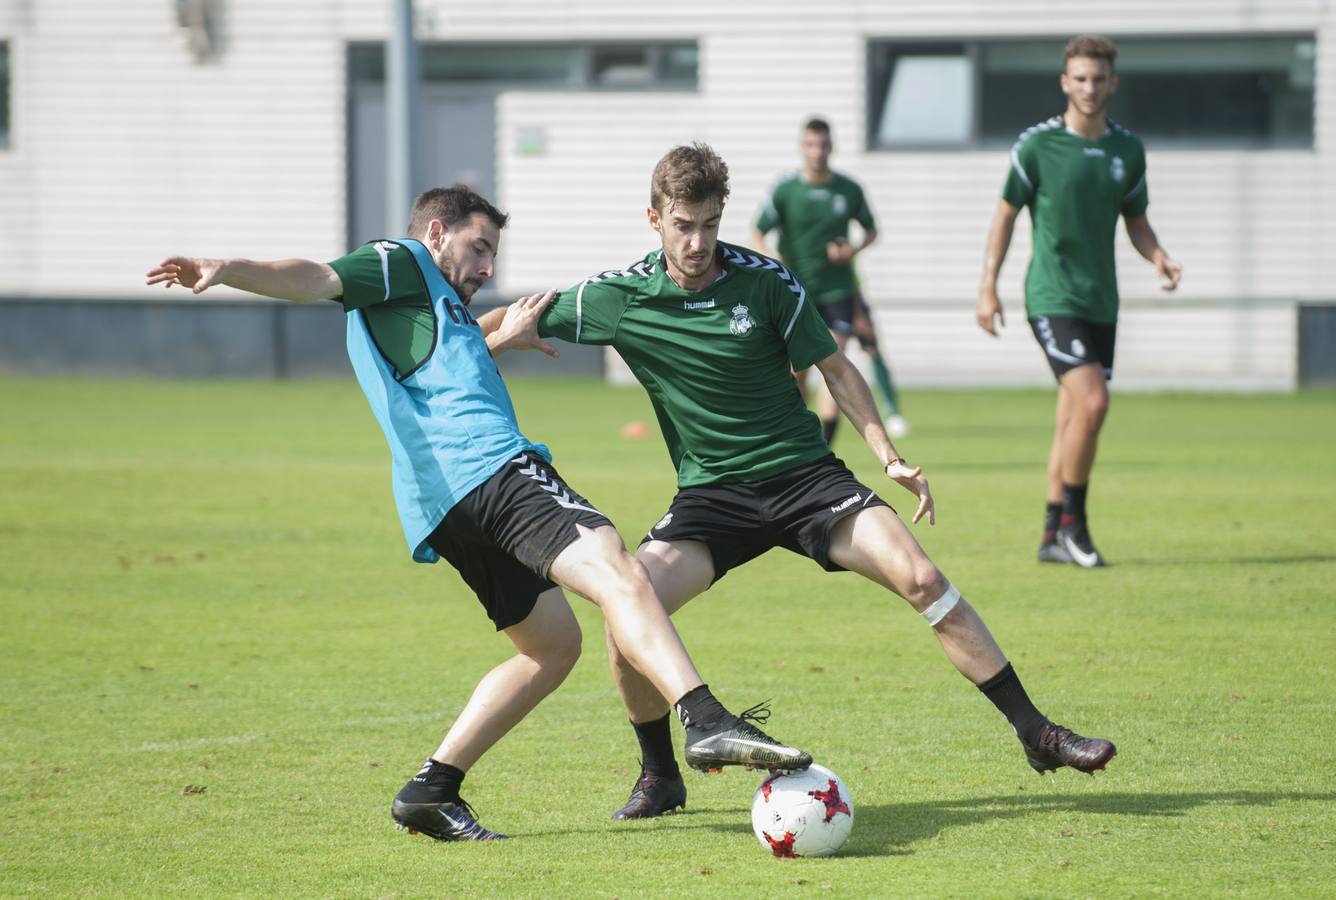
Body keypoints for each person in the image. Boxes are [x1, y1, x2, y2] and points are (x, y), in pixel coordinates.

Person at [144, 185, 812, 843]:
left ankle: (432, 788)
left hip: (445, 502)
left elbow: (436, 376)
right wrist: (225, 268)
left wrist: (503, 338)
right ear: (436, 233)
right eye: (478, 247)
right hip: (492, 469)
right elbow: (315, 278)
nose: (487, 267)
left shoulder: (434, 310)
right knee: (618, 567)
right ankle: (704, 717)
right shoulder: (400, 261)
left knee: (553, 647)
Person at [481, 145, 1116, 822]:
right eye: (683, 225)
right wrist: (489, 344)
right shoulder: (619, 296)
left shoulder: (767, 283)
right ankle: (661, 774)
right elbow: (491, 324)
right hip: (713, 498)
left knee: (923, 579)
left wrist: (887, 455)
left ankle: (1036, 733)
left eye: (710, 224)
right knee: (628, 612)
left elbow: (837, 370)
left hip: (807, 480)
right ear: (654, 219)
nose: (698, 242)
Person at [977, 35, 1182, 568]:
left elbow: (1135, 220)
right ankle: (1075, 525)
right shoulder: (1036, 146)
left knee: (1073, 416)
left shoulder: (1127, 150)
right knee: (1093, 403)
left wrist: (1157, 255)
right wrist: (987, 287)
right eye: (1080, 78)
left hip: (1101, 303)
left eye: (1099, 78)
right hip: (1051, 296)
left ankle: (1050, 534)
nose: (1090, 88)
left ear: (1112, 83)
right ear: (1065, 82)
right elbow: (1004, 215)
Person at [752, 117, 909, 443]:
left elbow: (872, 229)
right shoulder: (786, 191)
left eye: (822, 145)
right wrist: (772, 262)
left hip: (837, 290)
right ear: (802, 147)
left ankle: (824, 446)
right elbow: (758, 230)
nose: (817, 152)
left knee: (833, 363)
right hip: (796, 292)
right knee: (798, 372)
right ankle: (796, 438)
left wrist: (852, 249)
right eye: (811, 145)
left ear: (831, 147)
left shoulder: (848, 190)